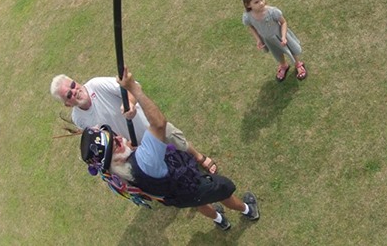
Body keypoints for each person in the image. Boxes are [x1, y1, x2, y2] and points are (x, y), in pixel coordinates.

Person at [80, 66, 259, 232]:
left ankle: (220, 220)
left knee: (199, 204)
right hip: (192, 184)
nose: (120, 137)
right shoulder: (144, 159)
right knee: (223, 191)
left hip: (177, 197)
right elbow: (159, 124)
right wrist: (134, 88)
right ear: (116, 160)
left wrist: (128, 149)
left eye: (115, 136)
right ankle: (248, 210)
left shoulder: (120, 175)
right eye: (116, 144)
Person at [51, 74, 219, 174]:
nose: (75, 91)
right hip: (132, 146)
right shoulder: (78, 118)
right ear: (67, 104)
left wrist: (129, 104)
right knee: (161, 162)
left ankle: (198, 157)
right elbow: (103, 137)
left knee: (175, 139)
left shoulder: (96, 85)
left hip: (148, 124)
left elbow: (133, 86)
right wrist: (124, 146)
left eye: (73, 85)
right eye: (69, 95)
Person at [242, 0, 307, 82]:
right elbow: (251, 26)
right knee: (277, 52)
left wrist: (284, 37)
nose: (261, 3)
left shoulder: (272, 12)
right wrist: (258, 39)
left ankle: (298, 64)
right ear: (248, 5)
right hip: (268, 40)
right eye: (256, 2)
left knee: (290, 50)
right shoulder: (248, 17)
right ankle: (284, 65)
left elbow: (283, 22)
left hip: (281, 36)